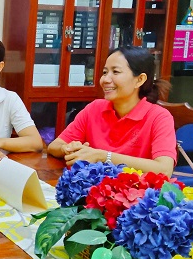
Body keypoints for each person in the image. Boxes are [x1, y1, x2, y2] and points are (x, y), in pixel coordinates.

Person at [47, 45, 177, 175]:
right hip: (95, 189)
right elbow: (54, 146)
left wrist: (104, 157)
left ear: (140, 80)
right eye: (104, 72)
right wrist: (68, 148)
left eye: (115, 72)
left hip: (139, 192)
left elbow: (164, 170)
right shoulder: (94, 108)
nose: (105, 80)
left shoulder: (159, 117)